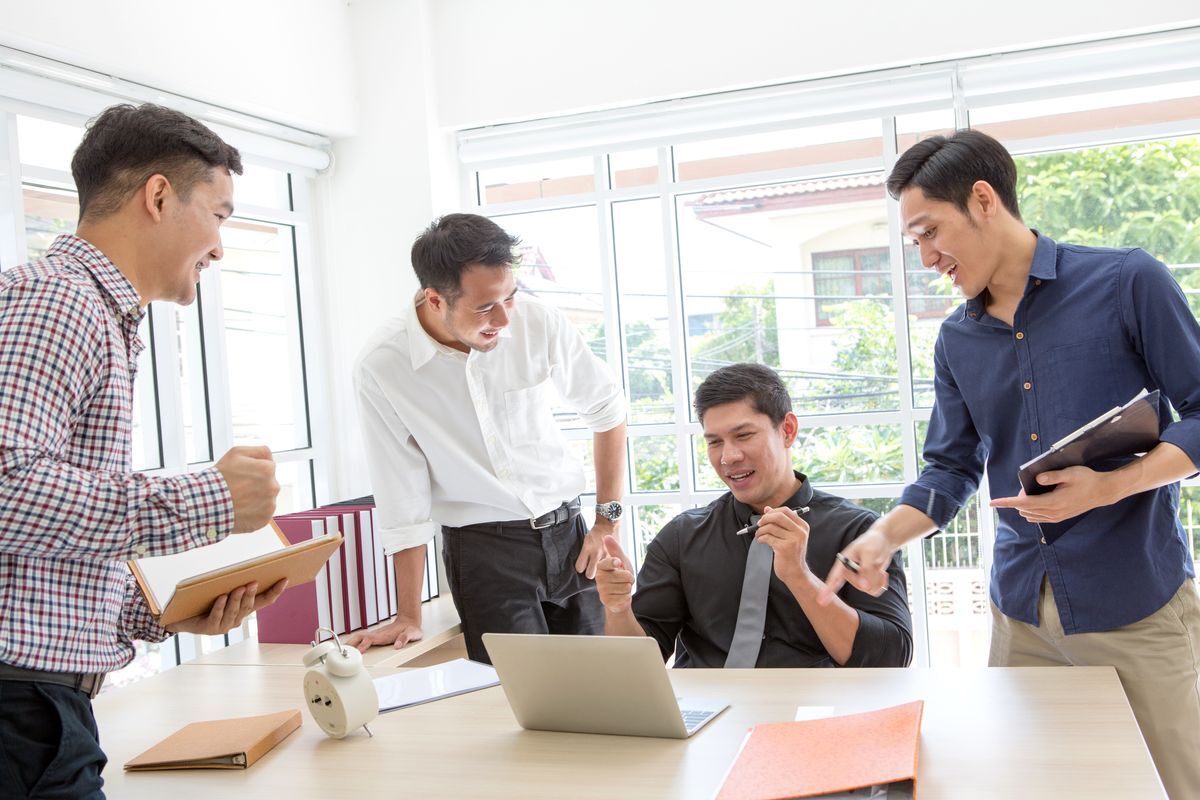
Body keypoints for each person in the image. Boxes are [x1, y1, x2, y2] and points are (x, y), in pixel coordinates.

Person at [823, 129, 1200, 798]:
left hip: (1135, 605)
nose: (925, 257)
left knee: (1176, 784)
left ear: (984, 199)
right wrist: (880, 539)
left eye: (929, 232)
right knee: (1033, 785)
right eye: (914, 242)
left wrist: (1111, 486)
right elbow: (949, 469)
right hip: (1019, 614)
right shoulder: (956, 340)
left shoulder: (1126, 281)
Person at [0, 104, 284, 798]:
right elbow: (7, 491)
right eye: (219, 215)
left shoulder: (93, 315)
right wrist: (214, 498)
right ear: (159, 196)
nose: (221, 247)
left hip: (38, 708)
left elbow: (31, 565)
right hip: (19, 712)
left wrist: (154, 608)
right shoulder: (58, 303)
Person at [349, 213, 627, 663]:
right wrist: (407, 613)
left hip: (572, 537)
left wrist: (605, 523)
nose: (503, 318)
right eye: (484, 308)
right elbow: (402, 495)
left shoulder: (537, 322)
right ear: (435, 299)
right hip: (484, 553)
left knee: (600, 688)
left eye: (510, 297)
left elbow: (608, 411)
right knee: (524, 700)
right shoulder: (383, 366)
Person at [597, 363, 912, 668]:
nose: (728, 457)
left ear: (787, 430)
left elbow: (891, 657)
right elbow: (635, 668)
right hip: (708, 712)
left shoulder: (859, 531)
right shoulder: (682, 537)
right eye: (715, 442)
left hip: (811, 711)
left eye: (744, 435)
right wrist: (618, 609)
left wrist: (800, 578)